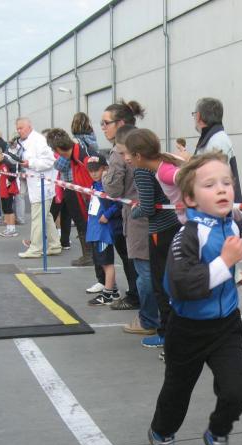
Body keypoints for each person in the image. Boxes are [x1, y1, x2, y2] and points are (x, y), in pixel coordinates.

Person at [147, 152, 242, 445]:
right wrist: (225, 263)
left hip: (226, 325)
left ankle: (217, 433)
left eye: (227, 182)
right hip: (188, 329)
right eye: (210, 185)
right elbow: (181, 284)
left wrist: (237, 275)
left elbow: (219, 266)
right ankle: (162, 433)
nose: (222, 189)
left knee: (237, 390)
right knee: (177, 392)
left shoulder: (230, 224)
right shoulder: (187, 234)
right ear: (190, 199)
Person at [123, 128, 182, 344]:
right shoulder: (164, 163)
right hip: (175, 226)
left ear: (138, 155)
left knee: (161, 285)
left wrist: (133, 210)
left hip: (161, 231)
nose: (126, 159)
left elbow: (148, 207)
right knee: (170, 282)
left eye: (127, 153)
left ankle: (167, 335)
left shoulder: (143, 171)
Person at [98, 100, 144, 310]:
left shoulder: (119, 151)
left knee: (133, 259)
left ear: (121, 123)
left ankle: (137, 298)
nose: (103, 127)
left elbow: (113, 190)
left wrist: (105, 176)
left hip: (132, 214)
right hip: (142, 211)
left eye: (106, 123)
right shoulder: (144, 141)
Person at [193, 97, 242, 233]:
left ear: (198, 116)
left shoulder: (217, 140)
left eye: (194, 115)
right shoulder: (213, 138)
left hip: (219, 218)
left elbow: (215, 177)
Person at [46, 128, 94, 265]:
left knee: (81, 221)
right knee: (79, 221)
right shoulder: (81, 148)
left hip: (77, 189)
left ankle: (89, 255)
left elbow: (59, 165)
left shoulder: (77, 153)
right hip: (78, 188)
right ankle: (89, 254)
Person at [15, 117, 61, 259]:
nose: (19, 131)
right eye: (17, 129)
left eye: (21, 128)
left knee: (38, 218)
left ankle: (35, 248)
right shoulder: (26, 142)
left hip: (42, 186)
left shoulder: (39, 140)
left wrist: (30, 163)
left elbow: (50, 161)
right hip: (36, 185)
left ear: (29, 127)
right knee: (46, 217)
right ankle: (54, 245)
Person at [84, 155, 119, 306]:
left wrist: (107, 215)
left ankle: (108, 294)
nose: (93, 173)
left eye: (96, 170)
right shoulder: (95, 185)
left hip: (103, 231)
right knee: (101, 262)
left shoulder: (107, 186)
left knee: (107, 263)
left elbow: (118, 203)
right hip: (94, 229)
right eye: (91, 171)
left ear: (105, 169)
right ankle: (113, 290)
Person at [0, 147, 19, 238]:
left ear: (1, 154)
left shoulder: (7, 162)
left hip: (9, 189)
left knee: (9, 208)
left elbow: (14, 172)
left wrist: (9, 181)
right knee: (5, 209)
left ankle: (13, 229)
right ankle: (8, 228)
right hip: (3, 188)